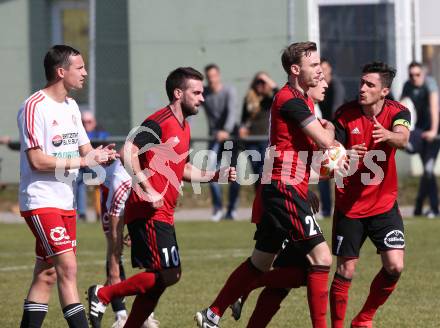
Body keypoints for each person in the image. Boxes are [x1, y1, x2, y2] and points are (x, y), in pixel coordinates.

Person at [195, 41, 335, 328]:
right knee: (320, 259)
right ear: (296, 70)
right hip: (282, 188)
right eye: (313, 65)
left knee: (261, 264)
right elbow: (324, 142)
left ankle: (212, 315)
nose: (320, 71)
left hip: (284, 187)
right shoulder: (291, 100)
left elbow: (296, 151)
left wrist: (307, 186)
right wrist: (331, 132)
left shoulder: (302, 101)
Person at [87, 67, 236, 328]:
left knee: (159, 280)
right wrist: (147, 188)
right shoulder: (160, 121)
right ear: (178, 93)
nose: (202, 98)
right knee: (170, 273)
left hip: (164, 212)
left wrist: (215, 175)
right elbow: (127, 151)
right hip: (148, 211)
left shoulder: (184, 127)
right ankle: (103, 294)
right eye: (197, 92)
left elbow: (184, 169)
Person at [17, 45, 117, 328]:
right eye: (80, 67)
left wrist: (102, 156)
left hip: (65, 202)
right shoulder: (33, 107)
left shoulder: (72, 106)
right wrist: (85, 161)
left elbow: (85, 150)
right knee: (68, 268)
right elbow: (36, 160)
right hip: (40, 200)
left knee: (46, 274)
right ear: (61, 72)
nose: (85, 73)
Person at [228, 77, 330, 328]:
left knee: (284, 272)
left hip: (289, 191)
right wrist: (333, 138)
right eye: (319, 76)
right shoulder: (297, 105)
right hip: (282, 194)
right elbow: (301, 152)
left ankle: (240, 291)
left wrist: (307, 187)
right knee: (314, 264)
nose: (324, 83)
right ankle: (240, 290)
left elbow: (303, 159)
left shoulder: (306, 107)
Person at [330, 62, 410, 328]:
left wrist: (387, 134)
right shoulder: (344, 114)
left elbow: (403, 138)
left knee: (395, 266)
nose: (362, 88)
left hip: (384, 205)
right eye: (362, 83)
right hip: (349, 206)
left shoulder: (399, 112)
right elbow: (330, 150)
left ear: (384, 91)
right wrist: (343, 154)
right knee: (346, 270)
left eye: (370, 85)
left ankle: (364, 318)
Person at [98, 158, 159, 328]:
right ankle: (121, 316)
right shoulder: (121, 183)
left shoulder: (157, 177)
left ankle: (146, 313)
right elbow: (115, 237)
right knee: (115, 251)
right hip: (110, 191)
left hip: (137, 194)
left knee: (150, 246)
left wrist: (135, 231)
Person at [401, 61, 440, 218]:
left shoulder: (430, 84)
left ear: (423, 75)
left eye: (417, 74)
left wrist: (433, 131)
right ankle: (418, 208)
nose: (414, 78)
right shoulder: (408, 85)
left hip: (435, 132)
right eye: (411, 75)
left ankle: (434, 209)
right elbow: (399, 106)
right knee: (427, 172)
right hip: (420, 131)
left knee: (429, 170)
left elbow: (434, 108)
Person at [203, 64, 240, 220]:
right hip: (214, 138)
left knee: (233, 174)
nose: (211, 79)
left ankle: (231, 210)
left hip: (230, 136)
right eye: (209, 77)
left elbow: (232, 112)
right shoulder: (204, 93)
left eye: (214, 76)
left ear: (218, 75)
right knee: (210, 172)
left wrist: (226, 130)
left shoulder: (229, 91)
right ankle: (218, 208)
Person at [317, 59, 346, 217]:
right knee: (324, 172)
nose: (322, 71)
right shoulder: (319, 87)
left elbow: (336, 110)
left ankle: (342, 208)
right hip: (326, 132)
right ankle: (327, 209)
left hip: (339, 132)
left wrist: (328, 133)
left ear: (330, 70)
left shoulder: (336, 86)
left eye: (325, 68)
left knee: (339, 172)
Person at [239, 72, 278, 187]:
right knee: (257, 172)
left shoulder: (271, 99)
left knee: (265, 170)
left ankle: (266, 198)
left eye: (263, 82)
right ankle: (260, 200)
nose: (260, 85)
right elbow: (243, 119)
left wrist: (266, 78)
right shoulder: (249, 99)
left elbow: (279, 92)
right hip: (251, 140)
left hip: (266, 140)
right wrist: (242, 128)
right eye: (258, 82)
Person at [76, 110, 110, 221]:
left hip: (97, 168)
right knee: (78, 181)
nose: (86, 124)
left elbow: (104, 144)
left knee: (102, 183)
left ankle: (101, 213)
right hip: (82, 166)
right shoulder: (78, 132)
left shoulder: (101, 132)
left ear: (94, 122)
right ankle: (82, 214)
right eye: (84, 122)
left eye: (89, 122)